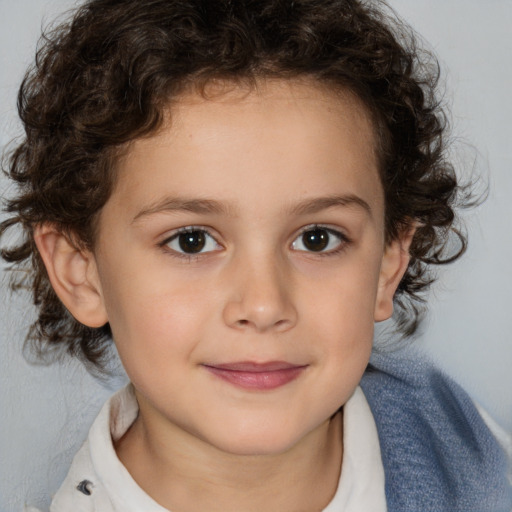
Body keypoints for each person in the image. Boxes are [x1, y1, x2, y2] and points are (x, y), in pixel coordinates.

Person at [1, 0, 510, 510]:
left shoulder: (468, 449)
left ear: (387, 262)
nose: (264, 305)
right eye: (191, 241)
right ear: (80, 273)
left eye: (317, 238)